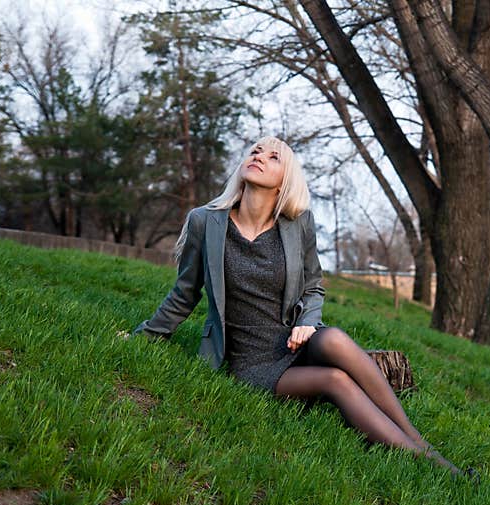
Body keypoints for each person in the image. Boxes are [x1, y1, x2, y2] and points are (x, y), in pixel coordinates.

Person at [132, 135, 470, 479]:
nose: (259, 157)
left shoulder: (297, 224)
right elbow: (184, 293)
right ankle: (433, 467)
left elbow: (313, 286)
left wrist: (308, 321)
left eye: (273, 157)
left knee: (334, 338)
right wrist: (145, 336)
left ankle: (421, 443)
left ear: (285, 180)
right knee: (335, 380)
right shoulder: (206, 222)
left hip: (293, 339)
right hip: (253, 360)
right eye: (255, 151)